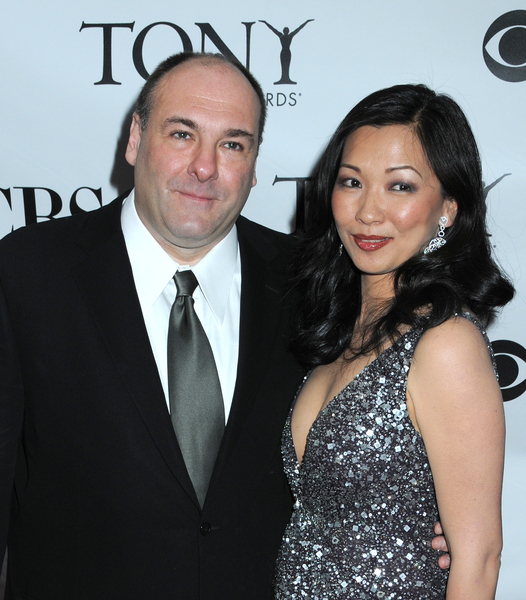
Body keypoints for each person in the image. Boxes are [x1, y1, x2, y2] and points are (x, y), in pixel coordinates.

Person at [0, 52, 304, 599]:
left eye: (233, 144)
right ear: (136, 138)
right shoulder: (27, 272)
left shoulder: (311, 283)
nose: (205, 167)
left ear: (255, 164)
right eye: (183, 134)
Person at [274, 84, 513, 598]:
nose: (367, 212)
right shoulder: (337, 335)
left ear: (448, 207)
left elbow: (478, 559)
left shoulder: (445, 343)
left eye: (400, 187)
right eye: (351, 182)